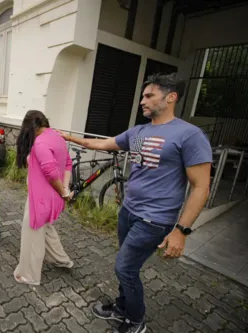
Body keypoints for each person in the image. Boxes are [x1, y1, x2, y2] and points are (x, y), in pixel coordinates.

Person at [58, 73, 212, 333]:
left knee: (125, 267)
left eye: (149, 95)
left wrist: (181, 230)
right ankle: (122, 306)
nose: (142, 101)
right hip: (128, 211)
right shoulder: (140, 132)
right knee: (126, 267)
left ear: (171, 97)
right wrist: (68, 137)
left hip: (154, 219)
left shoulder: (189, 135)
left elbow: (201, 186)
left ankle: (136, 320)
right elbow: (104, 143)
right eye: (143, 96)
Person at [13, 110, 74, 286]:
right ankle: (62, 260)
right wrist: (65, 189)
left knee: (32, 236)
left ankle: (29, 276)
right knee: (47, 230)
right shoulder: (56, 136)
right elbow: (67, 164)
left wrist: (64, 191)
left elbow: (50, 172)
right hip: (52, 197)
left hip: (40, 199)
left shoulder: (39, 143)